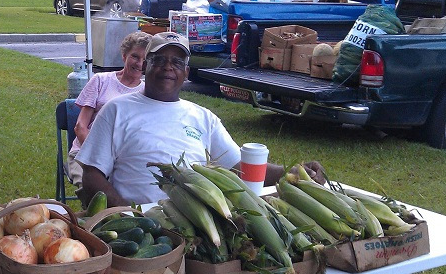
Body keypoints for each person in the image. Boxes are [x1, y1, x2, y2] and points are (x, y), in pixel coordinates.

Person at [75, 32, 324, 207]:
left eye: (176, 62)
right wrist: (126, 210)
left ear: (186, 72)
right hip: (140, 222)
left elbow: (238, 167)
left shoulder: (203, 117)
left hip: (195, 221)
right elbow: (91, 174)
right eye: (159, 60)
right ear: (146, 66)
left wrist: (292, 173)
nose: (167, 67)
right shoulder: (116, 110)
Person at [67, 31, 151, 188]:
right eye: (135, 56)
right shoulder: (101, 81)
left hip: (126, 159)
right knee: (94, 191)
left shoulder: (148, 91)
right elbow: (80, 127)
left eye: (145, 60)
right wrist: (101, 156)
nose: (140, 63)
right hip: (87, 154)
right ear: (124, 56)